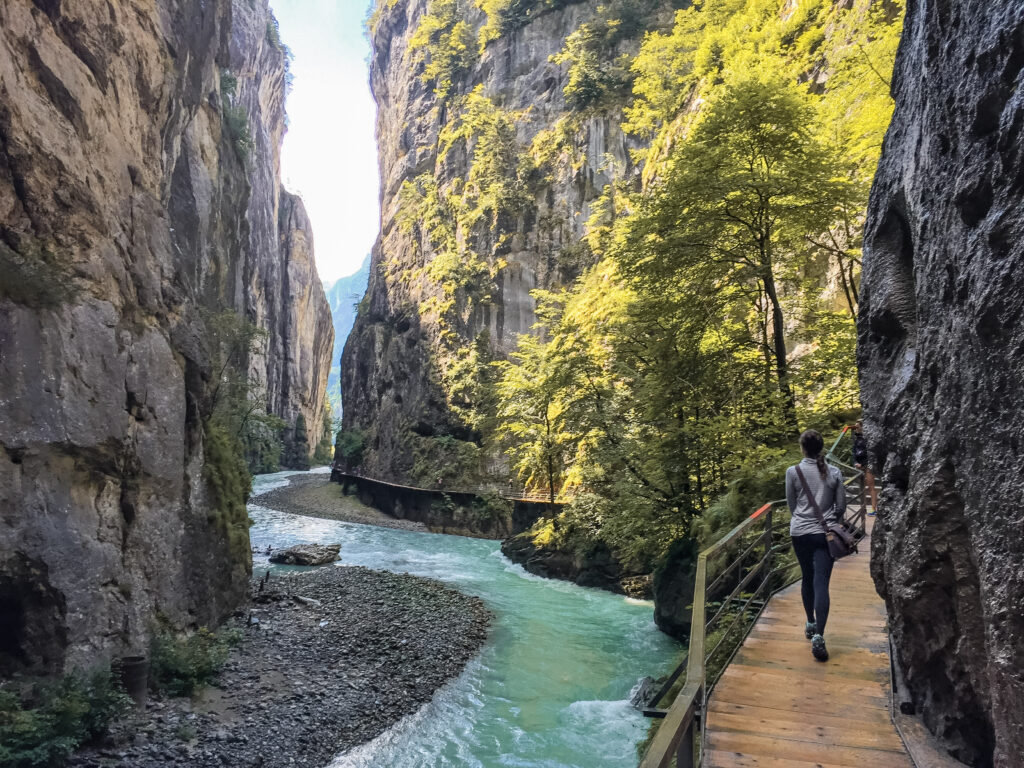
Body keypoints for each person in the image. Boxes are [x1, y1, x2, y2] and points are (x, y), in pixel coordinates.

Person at [786, 429, 846, 662]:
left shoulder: (793, 472)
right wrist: (830, 521)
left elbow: (792, 505)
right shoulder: (834, 472)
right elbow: (840, 506)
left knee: (806, 576)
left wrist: (803, 519)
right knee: (821, 582)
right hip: (825, 534)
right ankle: (819, 636)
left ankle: (810, 622)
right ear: (821, 448)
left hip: (800, 533)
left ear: (802, 448)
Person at [851, 420, 878, 515]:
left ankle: (874, 508)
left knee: (871, 486)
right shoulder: (856, 438)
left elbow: (870, 452)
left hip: (868, 464)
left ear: (862, 427)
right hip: (859, 464)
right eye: (855, 427)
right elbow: (854, 451)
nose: (856, 429)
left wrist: (862, 464)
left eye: (857, 427)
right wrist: (855, 462)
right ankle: (863, 508)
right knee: (861, 487)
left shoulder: (868, 437)